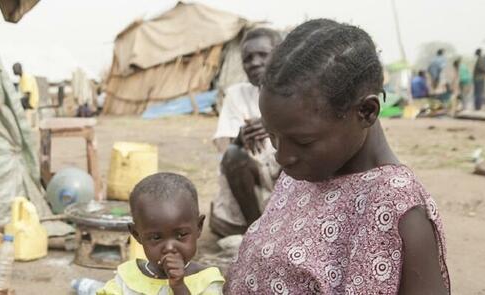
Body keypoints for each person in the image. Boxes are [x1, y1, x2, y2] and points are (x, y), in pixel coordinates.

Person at [226, 19, 449, 294]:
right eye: (272, 136)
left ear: (366, 112)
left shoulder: (397, 207)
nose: (282, 156)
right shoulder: (303, 174)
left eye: (303, 141)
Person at [99, 173, 225, 295]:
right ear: (136, 234)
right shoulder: (127, 277)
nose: (169, 248)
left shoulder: (206, 280)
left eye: (181, 235)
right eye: (156, 237)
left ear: (199, 227)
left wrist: (179, 287)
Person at [210, 27, 283, 237]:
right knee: (233, 154)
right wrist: (241, 139)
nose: (254, 63)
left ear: (280, 55)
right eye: (247, 58)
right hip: (256, 178)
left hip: (288, 173)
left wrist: (274, 127)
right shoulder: (237, 94)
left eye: (263, 55)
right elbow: (225, 150)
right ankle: (255, 230)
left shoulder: (298, 92)